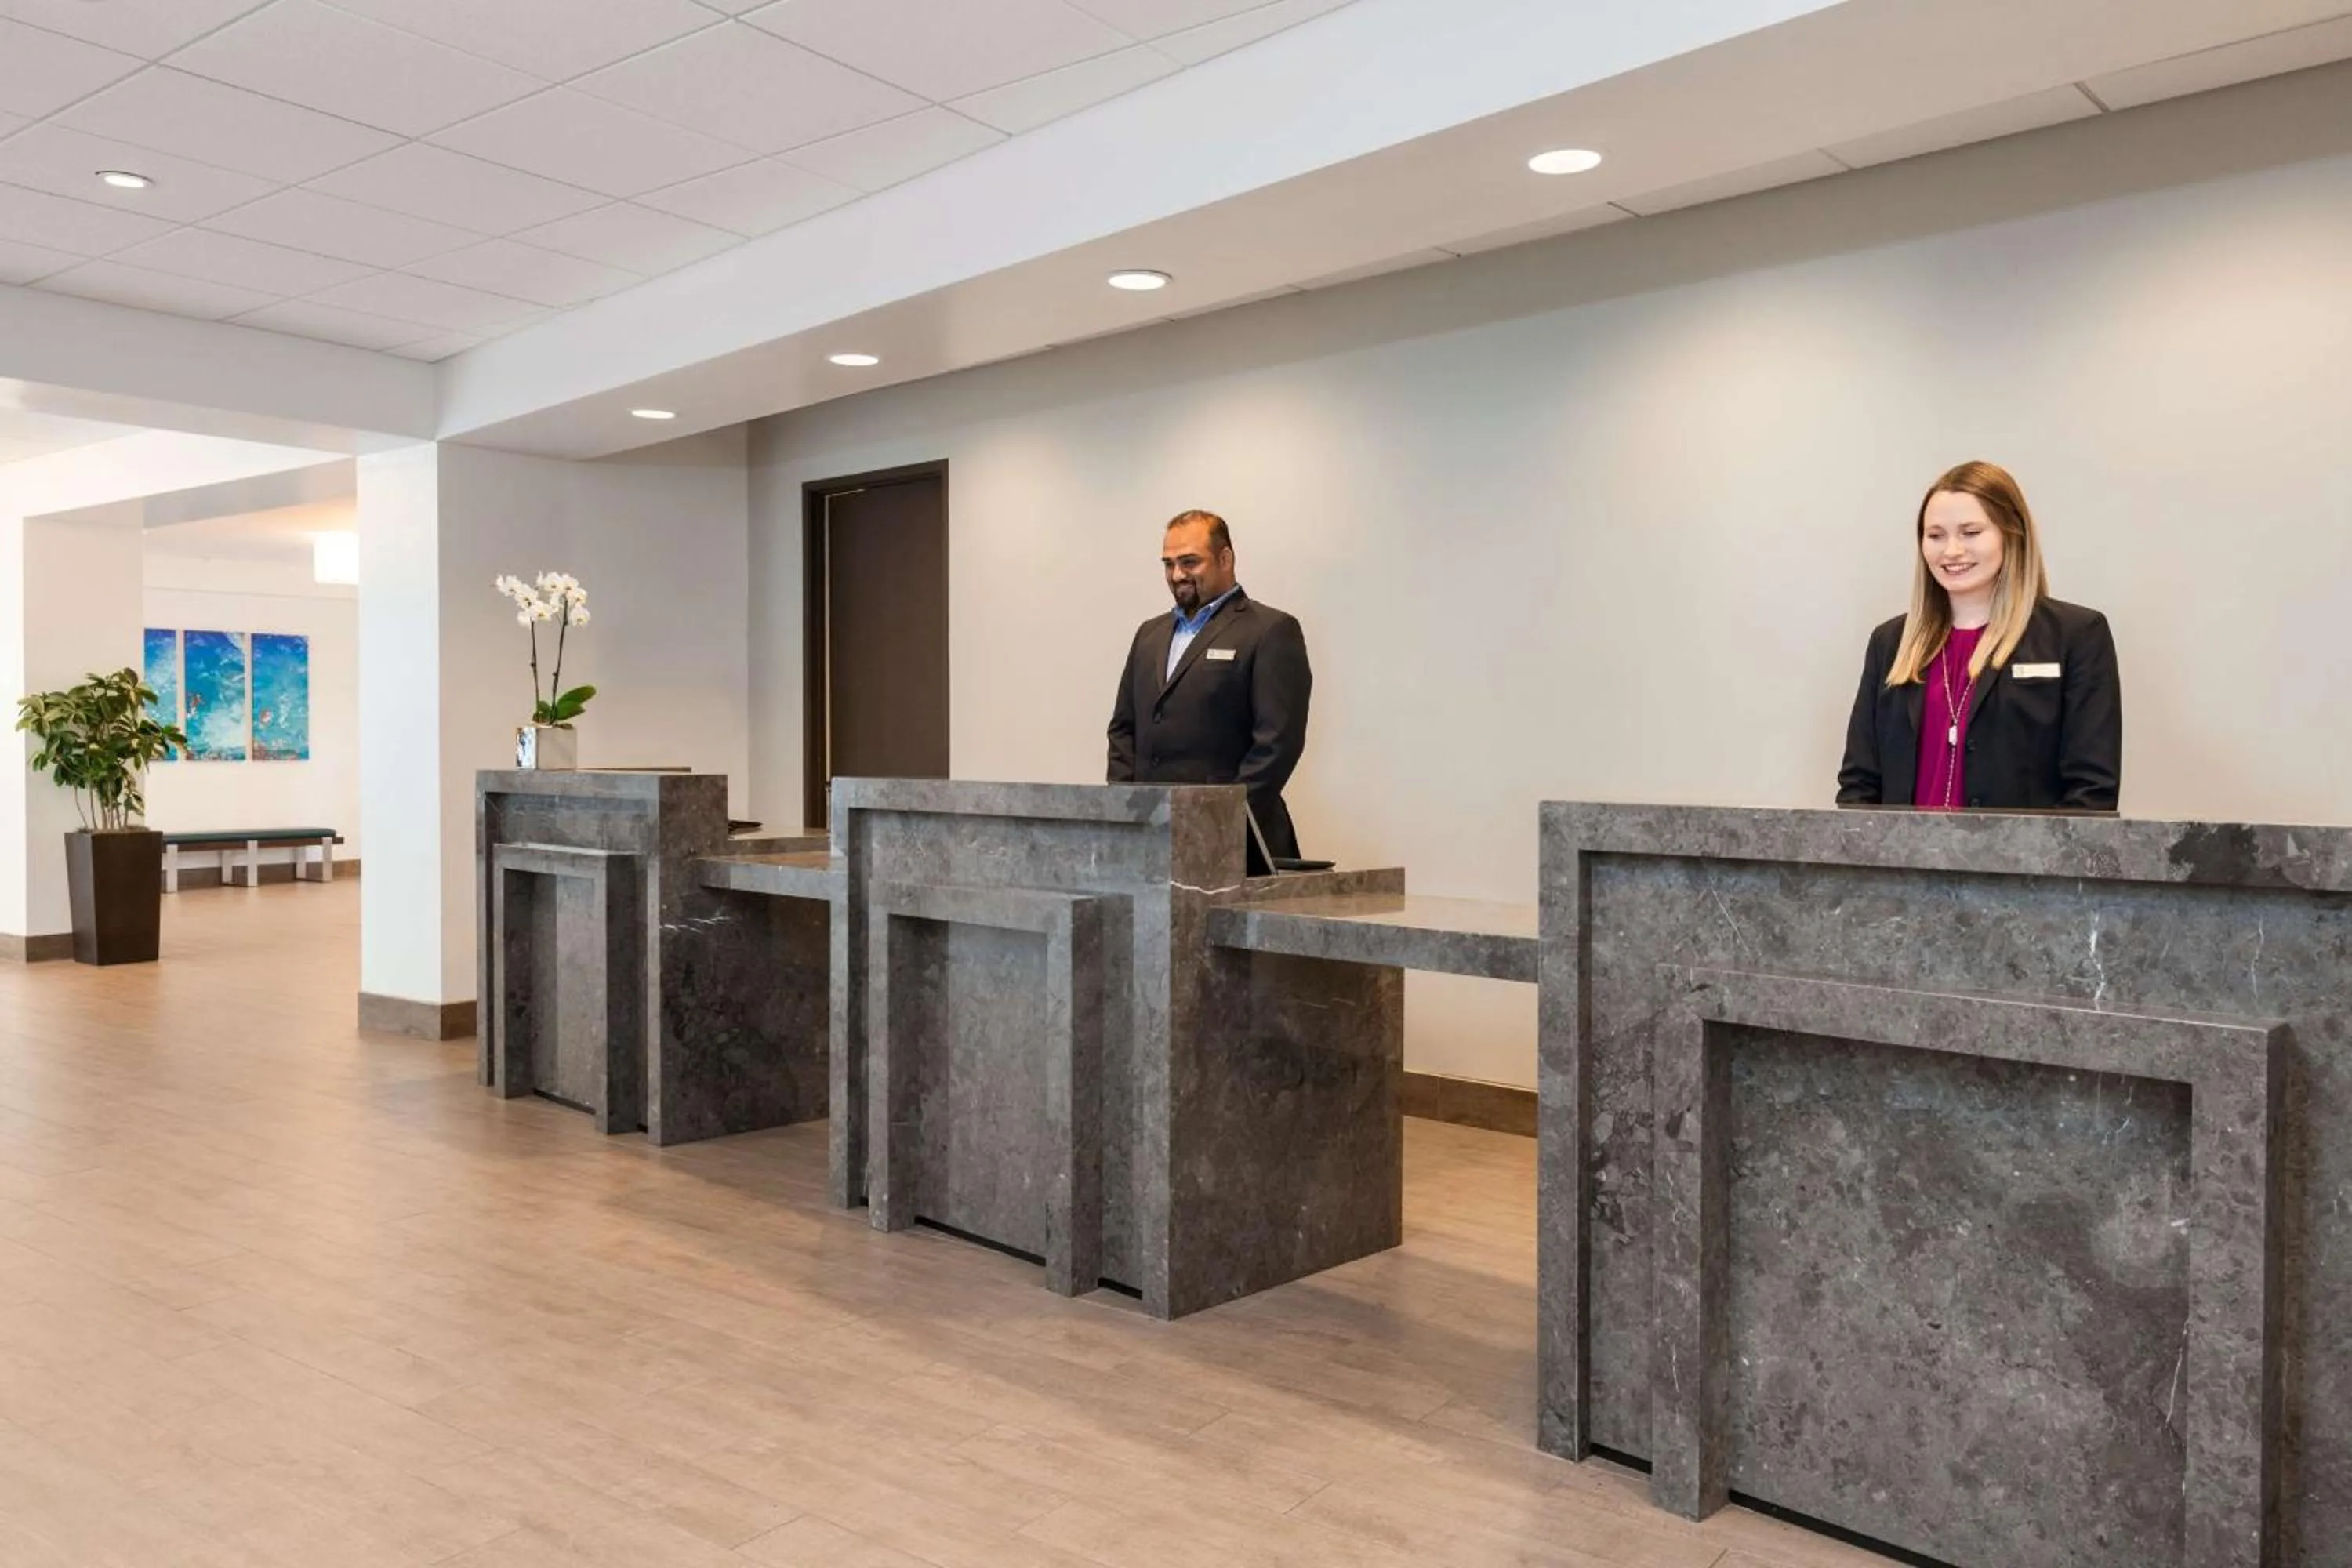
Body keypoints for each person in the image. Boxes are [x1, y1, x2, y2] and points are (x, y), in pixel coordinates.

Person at [1837, 461, 2121, 811]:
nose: (1952, 551)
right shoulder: (1890, 643)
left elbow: (2091, 794)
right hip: (1906, 863)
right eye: (1936, 535)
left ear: (2011, 533)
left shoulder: (2077, 636)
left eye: (1971, 532)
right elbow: (1858, 786)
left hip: (2022, 864)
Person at [1107, 509, 1313, 858]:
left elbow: (1277, 744)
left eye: (1189, 562)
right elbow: (1124, 730)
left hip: (1236, 842)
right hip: (1151, 840)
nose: (1177, 575)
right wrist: (1126, 808)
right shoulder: (1149, 634)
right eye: (1168, 564)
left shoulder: (1271, 631)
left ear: (1225, 558)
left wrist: (1216, 820)